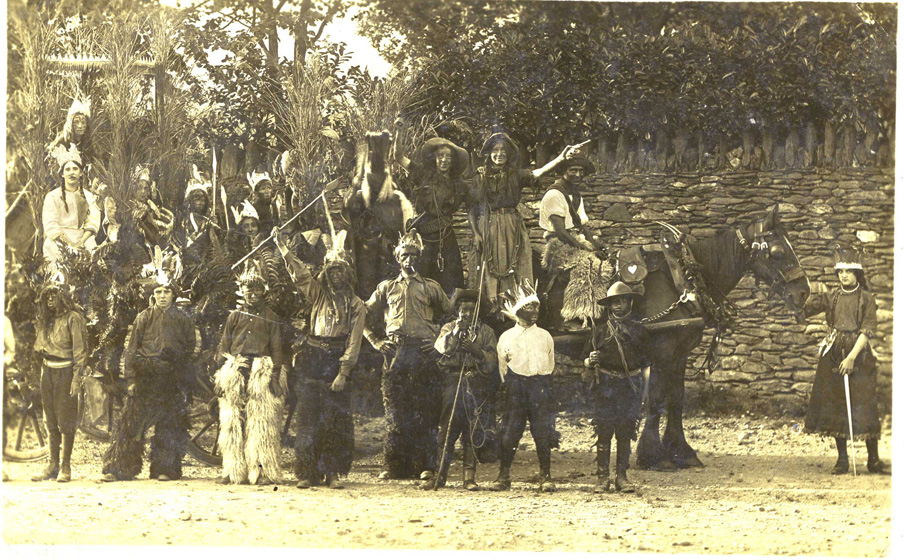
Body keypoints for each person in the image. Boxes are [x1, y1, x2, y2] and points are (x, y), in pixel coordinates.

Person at [274, 228, 365, 490]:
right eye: (331, 271)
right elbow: (301, 274)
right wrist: (283, 248)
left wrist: (343, 372)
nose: (335, 276)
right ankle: (307, 472)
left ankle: (332, 472)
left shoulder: (356, 304)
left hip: (336, 359)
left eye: (340, 271)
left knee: (335, 419)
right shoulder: (317, 295)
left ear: (347, 274)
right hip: (313, 357)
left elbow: (354, 341)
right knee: (308, 417)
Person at [100, 249, 200, 482]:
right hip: (145, 375)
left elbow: (191, 348)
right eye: (158, 292)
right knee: (131, 423)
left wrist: (179, 371)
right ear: (153, 294)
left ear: (173, 294)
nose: (162, 296)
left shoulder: (184, 319)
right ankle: (119, 468)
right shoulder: (143, 318)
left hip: (170, 378)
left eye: (166, 292)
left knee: (169, 424)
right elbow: (131, 350)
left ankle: (165, 469)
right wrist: (131, 380)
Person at [364, 230, 453, 480]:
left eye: (414, 255)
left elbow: (452, 317)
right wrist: (375, 341)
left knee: (426, 409)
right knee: (396, 410)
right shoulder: (387, 287)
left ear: (420, 258)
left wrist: (438, 342)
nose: (409, 260)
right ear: (397, 258)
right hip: (396, 352)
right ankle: (395, 466)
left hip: (424, 352)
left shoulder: (431, 287)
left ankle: (426, 466)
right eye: (405, 255)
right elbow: (360, 315)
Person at [802, 245, 886, 474]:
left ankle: (873, 460)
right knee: (835, 403)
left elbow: (867, 331)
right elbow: (804, 308)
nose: (844, 275)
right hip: (833, 353)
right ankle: (842, 460)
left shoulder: (866, 299)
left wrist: (850, 358)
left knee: (865, 403)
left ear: (857, 273)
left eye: (848, 271)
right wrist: (796, 294)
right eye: (840, 271)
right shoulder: (831, 296)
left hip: (859, 355)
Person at [467, 132, 577, 303]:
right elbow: (472, 209)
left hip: (512, 225)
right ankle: (491, 306)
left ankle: (516, 306)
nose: (499, 154)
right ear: (489, 153)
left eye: (503, 150)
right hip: (488, 226)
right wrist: (476, 234)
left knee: (517, 262)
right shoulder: (480, 177)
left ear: (509, 154)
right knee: (488, 265)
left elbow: (538, 173)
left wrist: (561, 158)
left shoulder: (516, 175)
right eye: (495, 150)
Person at [214, 262, 286, 485]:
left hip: (260, 371)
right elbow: (224, 347)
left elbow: (277, 349)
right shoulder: (234, 317)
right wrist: (220, 377)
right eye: (248, 290)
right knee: (232, 423)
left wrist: (275, 378)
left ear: (263, 292)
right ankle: (232, 471)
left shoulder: (271, 317)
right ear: (242, 291)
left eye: (256, 290)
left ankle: (262, 472)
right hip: (236, 370)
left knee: (261, 423)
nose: (252, 294)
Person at [422, 288, 499, 491]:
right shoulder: (448, 327)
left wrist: (477, 352)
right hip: (453, 380)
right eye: (463, 310)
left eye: (472, 310)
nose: (467, 314)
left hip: (476, 382)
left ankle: (469, 478)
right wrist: (456, 333)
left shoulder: (487, 332)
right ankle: (440, 475)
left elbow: (492, 361)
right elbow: (442, 348)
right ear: (457, 311)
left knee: (472, 428)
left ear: (478, 312)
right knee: (448, 426)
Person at [583, 282, 651, 493]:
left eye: (623, 301)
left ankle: (622, 477)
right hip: (605, 386)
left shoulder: (640, 331)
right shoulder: (599, 331)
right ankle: (602, 478)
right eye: (614, 302)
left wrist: (645, 391)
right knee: (603, 432)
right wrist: (590, 360)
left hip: (629, 386)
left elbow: (646, 365)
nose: (619, 306)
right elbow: (585, 360)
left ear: (630, 303)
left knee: (625, 431)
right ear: (609, 306)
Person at [492, 280, 559, 492]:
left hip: (540, 386)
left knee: (542, 432)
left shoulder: (545, 336)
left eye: (536, 307)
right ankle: (503, 476)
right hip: (516, 388)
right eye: (529, 307)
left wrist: (541, 384)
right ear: (519, 310)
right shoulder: (506, 337)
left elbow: (550, 363)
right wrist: (514, 386)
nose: (535, 311)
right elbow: (503, 368)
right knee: (511, 431)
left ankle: (545, 476)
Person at [538, 154, 610, 330]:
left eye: (581, 171)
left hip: (576, 240)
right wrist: (587, 249)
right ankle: (573, 316)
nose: (578, 174)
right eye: (573, 170)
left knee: (605, 261)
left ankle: (596, 311)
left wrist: (595, 246)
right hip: (557, 244)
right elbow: (561, 232)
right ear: (563, 171)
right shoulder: (554, 194)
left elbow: (582, 225)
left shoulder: (575, 195)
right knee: (586, 264)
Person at [30, 273, 88, 483]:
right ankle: (52, 465)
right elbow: (39, 348)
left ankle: (65, 466)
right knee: (50, 420)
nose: (50, 300)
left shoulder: (74, 318)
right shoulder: (46, 320)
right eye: (47, 297)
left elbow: (80, 352)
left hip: (65, 372)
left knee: (65, 420)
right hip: (48, 371)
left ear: (63, 297)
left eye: (54, 296)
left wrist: (76, 379)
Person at [397, 137, 471, 294]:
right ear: (435, 158)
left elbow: (475, 205)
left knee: (451, 279)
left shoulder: (459, 185)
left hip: (446, 237)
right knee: (422, 277)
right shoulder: (423, 175)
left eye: (448, 156)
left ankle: (449, 308)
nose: (444, 160)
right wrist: (397, 136)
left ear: (453, 161)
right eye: (440, 156)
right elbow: (399, 158)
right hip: (424, 238)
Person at [42, 144, 101, 264]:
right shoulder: (52, 196)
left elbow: (92, 222)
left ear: (81, 173)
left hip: (83, 239)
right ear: (62, 174)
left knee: (93, 259)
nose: (71, 173)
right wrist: (69, 244)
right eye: (67, 169)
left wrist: (80, 243)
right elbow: (51, 225)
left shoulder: (88, 196)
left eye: (75, 169)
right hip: (58, 240)